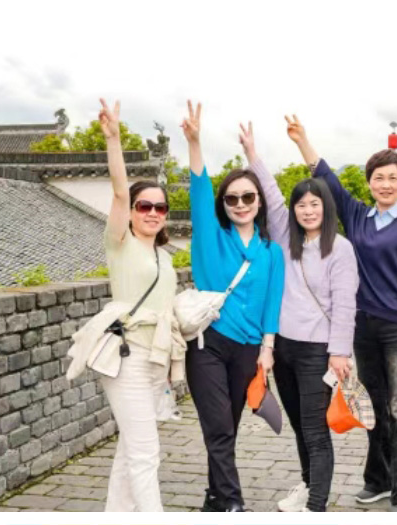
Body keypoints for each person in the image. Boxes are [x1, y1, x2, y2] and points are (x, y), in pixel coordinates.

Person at [285, 116, 397, 512]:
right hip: (364, 327)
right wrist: (303, 140)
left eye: (392, 178)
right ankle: (378, 480)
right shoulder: (357, 217)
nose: (385, 184)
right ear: (369, 183)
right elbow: (326, 179)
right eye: (378, 178)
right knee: (374, 406)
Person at [236, 122, 359, 512]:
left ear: (326, 207)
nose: (307, 210)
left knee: (315, 429)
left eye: (314, 204)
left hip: (317, 351)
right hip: (283, 348)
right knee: (299, 426)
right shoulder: (285, 238)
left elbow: (345, 305)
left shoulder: (340, 249)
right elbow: (271, 195)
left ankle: (316, 506)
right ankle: (308, 486)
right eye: (301, 205)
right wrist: (251, 154)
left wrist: (339, 352)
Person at [181, 101, 285, 512]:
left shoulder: (271, 252)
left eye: (248, 197)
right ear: (223, 204)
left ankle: (213, 497)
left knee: (229, 428)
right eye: (232, 198)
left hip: (248, 349)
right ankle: (231, 503)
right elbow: (199, 190)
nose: (240, 203)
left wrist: (267, 349)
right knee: (219, 426)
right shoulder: (212, 237)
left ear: (259, 201)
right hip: (207, 343)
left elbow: (272, 302)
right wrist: (195, 142)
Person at [96, 99, 182, 512]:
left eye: (159, 207)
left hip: (155, 361)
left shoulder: (164, 256)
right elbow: (117, 190)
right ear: (131, 211)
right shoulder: (120, 244)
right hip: (126, 358)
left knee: (129, 451)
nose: (152, 212)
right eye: (144, 206)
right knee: (146, 453)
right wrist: (114, 140)